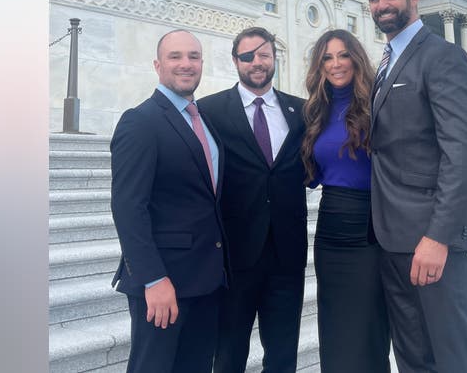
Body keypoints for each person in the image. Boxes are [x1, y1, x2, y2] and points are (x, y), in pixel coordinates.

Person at [365, 0, 467, 372]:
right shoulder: (384, 64)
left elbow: (463, 150)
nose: (382, 5)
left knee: (451, 356)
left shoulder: (443, 57)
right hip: (392, 238)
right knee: (412, 357)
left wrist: (438, 237)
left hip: (431, 241)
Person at [110, 29, 227, 373]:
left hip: (207, 280)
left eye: (193, 56)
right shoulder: (141, 121)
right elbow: (128, 207)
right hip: (164, 283)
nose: (186, 64)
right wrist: (152, 279)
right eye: (175, 57)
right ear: (158, 65)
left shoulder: (204, 120)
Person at [197, 27, 307, 373]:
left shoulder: (301, 111)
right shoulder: (209, 111)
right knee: (229, 353)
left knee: (283, 352)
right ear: (235, 61)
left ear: (274, 59)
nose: (256, 63)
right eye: (247, 56)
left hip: (287, 254)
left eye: (263, 55)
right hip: (235, 254)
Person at [300, 29, 391, 373]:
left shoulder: (376, 105)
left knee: (367, 326)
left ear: (356, 58)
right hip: (330, 228)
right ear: (319, 65)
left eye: (343, 55)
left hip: (370, 226)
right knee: (335, 324)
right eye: (327, 57)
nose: (336, 64)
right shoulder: (314, 112)